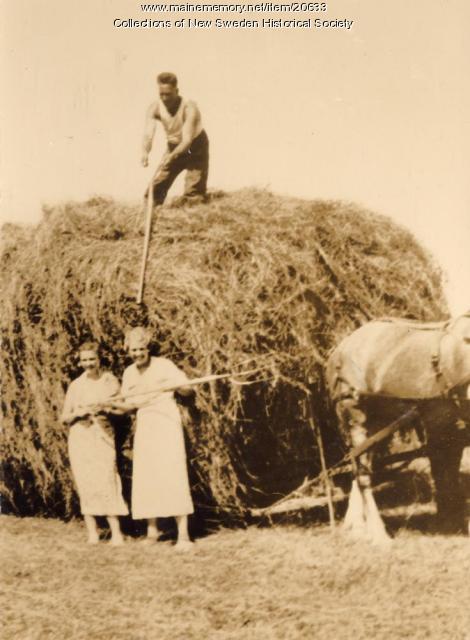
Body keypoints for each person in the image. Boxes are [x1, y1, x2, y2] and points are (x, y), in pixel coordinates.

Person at [120, 327, 194, 550]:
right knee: (147, 475)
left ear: (148, 348)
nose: (137, 353)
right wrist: (112, 405)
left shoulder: (164, 366)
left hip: (167, 424)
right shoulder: (129, 373)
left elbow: (188, 390)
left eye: (141, 349)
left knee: (173, 473)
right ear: (128, 350)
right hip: (145, 425)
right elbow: (129, 404)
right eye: (133, 349)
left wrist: (178, 386)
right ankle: (153, 531)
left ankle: (183, 535)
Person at [61, 341, 128, 545]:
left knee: (107, 479)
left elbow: (123, 410)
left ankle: (116, 533)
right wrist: (78, 413)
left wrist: (107, 409)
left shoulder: (110, 381)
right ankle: (93, 533)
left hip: (103, 436)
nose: (88, 363)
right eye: (84, 360)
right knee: (86, 482)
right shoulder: (76, 385)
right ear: (79, 362)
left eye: (92, 359)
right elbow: (64, 417)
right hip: (81, 437)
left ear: (99, 360)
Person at [141, 71, 209, 206]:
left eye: (168, 94)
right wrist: (145, 152)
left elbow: (187, 140)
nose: (165, 98)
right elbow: (148, 135)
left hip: (195, 147)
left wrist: (172, 156)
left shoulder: (189, 108)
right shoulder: (154, 108)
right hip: (174, 146)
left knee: (193, 194)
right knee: (155, 190)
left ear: (176, 91)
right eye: (161, 94)